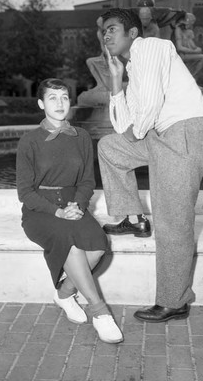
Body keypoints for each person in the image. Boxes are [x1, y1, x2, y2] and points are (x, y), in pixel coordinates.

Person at [97, 8, 203, 323]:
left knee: (173, 221)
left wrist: (133, 130)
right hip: (163, 137)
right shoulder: (134, 70)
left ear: (133, 33)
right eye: (104, 31)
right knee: (110, 147)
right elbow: (123, 125)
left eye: (112, 29)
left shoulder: (151, 48)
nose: (106, 36)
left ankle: (173, 301)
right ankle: (134, 218)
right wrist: (114, 80)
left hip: (186, 135)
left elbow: (143, 115)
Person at [16, 77, 123, 343]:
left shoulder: (82, 137)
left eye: (64, 97)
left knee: (98, 245)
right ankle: (100, 312)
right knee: (71, 242)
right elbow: (25, 193)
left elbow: (87, 181)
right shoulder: (29, 141)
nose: (60, 103)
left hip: (74, 203)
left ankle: (64, 293)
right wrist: (58, 212)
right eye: (52, 98)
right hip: (40, 210)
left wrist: (79, 204)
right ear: (41, 103)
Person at [174, 12, 203, 78]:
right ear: (187, 21)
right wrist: (195, 51)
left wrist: (197, 49)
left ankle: (190, 76)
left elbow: (193, 46)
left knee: (202, 57)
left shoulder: (188, 32)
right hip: (181, 55)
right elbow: (179, 48)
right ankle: (190, 77)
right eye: (191, 22)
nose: (192, 25)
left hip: (186, 54)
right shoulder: (178, 30)